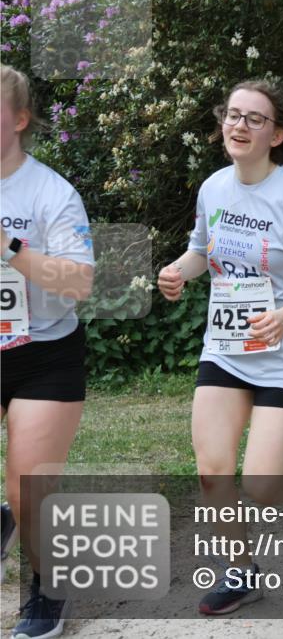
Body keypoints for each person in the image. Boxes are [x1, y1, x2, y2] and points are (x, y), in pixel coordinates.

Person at [157, 79, 283, 615]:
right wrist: (179, 271)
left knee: (262, 486)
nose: (239, 125)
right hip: (225, 347)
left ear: (277, 134)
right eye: (233, 115)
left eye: (254, 119)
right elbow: (201, 251)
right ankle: (240, 573)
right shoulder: (214, 188)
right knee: (212, 469)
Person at [1, 64, 95, 639]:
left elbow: (79, 284)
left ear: (18, 119)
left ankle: (46, 587)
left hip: (42, 355)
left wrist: (9, 246)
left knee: (30, 489)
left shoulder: (50, 192)